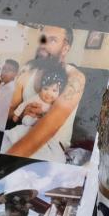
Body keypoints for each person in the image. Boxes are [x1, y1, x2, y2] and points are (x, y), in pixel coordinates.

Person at [5, 25, 86, 162]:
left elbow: (49, 127)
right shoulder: (26, 71)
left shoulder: (75, 78)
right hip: (18, 134)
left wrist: (3, 161)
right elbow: (7, 112)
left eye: (52, 40)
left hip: (50, 146)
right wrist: (19, 114)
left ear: (65, 48)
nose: (43, 44)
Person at [3, 59, 69, 163]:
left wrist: (43, 115)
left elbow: (54, 121)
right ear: (41, 88)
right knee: (15, 136)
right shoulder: (35, 97)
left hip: (42, 130)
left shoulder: (55, 105)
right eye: (46, 89)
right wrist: (17, 115)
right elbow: (22, 105)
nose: (48, 94)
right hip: (26, 125)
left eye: (54, 91)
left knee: (52, 153)